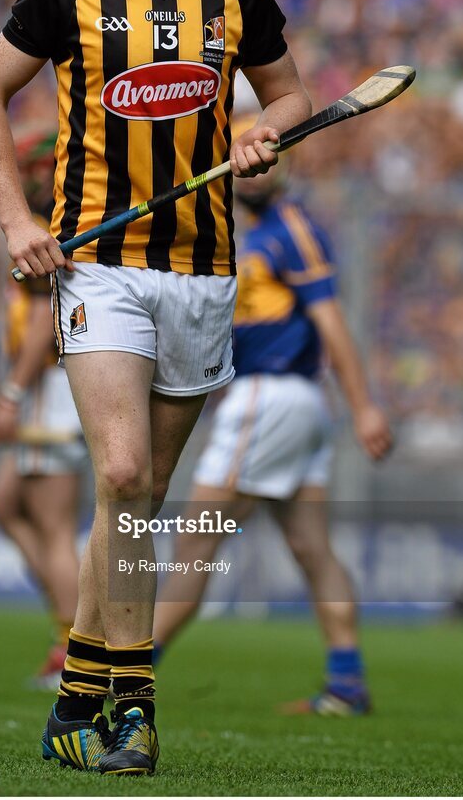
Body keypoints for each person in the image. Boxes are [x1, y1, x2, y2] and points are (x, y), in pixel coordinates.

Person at [0, 0, 312, 775]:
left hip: (202, 274)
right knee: (119, 476)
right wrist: (13, 221)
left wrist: (260, 134)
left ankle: (80, 695)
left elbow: (286, 95)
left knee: (141, 501)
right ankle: (135, 707)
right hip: (99, 269)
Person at [153, 128, 393, 715]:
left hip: (275, 397)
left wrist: (363, 406)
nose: (257, 167)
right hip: (289, 404)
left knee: (195, 543)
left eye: (268, 158)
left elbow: (333, 324)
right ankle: (347, 684)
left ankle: (127, 668)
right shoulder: (239, 232)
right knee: (312, 549)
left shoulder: (293, 229)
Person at [0, 129, 89, 691]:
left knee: (54, 529)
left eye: (31, 167)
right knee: (5, 504)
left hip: (51, 388)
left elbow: (44, 329)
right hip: (45, 393)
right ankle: (65, 632)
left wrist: (11, 394)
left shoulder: (50, 230)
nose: (22, 178)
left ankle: (74, 653)